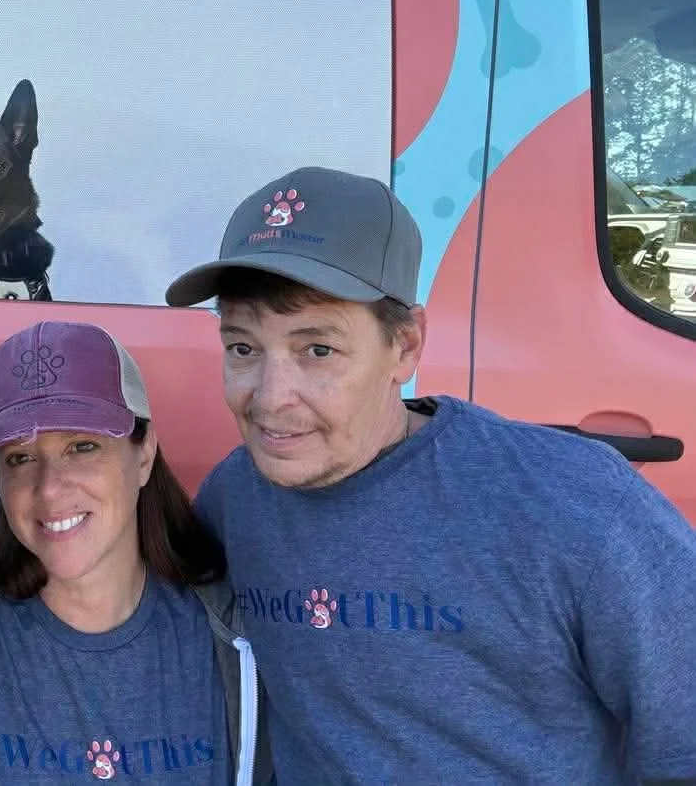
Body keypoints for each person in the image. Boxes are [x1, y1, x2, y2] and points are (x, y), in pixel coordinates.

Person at [163, 165, 696, 784]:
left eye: (318, 350)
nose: (271, 398)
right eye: (244, 349)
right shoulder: (238, 497)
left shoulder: (571, 505)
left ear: (406, 346)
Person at [0, 320, 272, 785]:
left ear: (143, 456)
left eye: (83, 447)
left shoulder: (240, 630)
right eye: (20, 458)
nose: (49, 489)